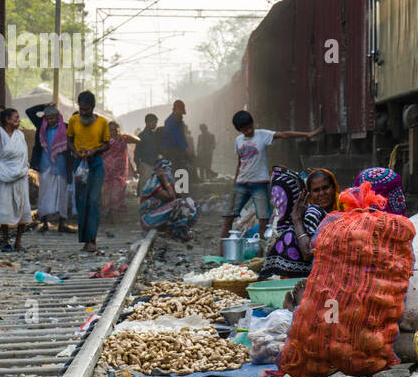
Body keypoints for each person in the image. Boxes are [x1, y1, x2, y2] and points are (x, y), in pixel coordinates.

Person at [220, 110, 321, 243]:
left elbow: (284, 135)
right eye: (245, 130)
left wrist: (308, 134)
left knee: (263, 220)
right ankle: (222, 253)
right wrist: (235, 183)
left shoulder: (262, 135)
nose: (249, 131)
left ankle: (262, 253)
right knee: (228, 217)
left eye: (250, 127)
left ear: (253, 124)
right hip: (241, 184)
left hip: (260, 184)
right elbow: (240, 163)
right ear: (239, 130)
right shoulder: (238, 141)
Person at [261, 167, 339, 278]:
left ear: (334, 187)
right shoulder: (313, 213)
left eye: (325, 188)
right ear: (309, 194)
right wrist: (297, 221)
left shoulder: (345, 207)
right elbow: (307, 253)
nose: (322, 193)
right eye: (316, 190)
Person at [67, 90, 110, 253]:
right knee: (81, 201)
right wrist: (76, 153)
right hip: (79, 164)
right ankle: (84, 239)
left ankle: (92, 240)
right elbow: (69, 141)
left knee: (93, 201)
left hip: (96, 164)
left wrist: (95, 151)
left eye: (86, 109)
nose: (83, 112)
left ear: (92, 107)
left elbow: (107, 144)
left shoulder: (103, 123)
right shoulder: (73, 120)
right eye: (81, 109)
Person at [0, 106, 32, 251]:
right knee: (4, 207)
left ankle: (18, 242)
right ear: (7, 119)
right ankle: (6, 241)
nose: (18, 121)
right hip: (4, 173)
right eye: (16, 118)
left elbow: (23, 155)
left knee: (23, 207)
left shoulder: (20, 135)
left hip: (20, 174)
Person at [139, 155, 199, 241]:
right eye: (166, 170)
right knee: (180, 203)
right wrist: (165, 180)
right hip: (148, 220)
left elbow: (180, 194)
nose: (168, 173)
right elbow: (172, 198)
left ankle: (179, 230)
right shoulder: (153, 185)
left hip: (159, 216)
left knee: (191, 203)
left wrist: (172, 183)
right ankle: (171, 232)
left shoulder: (167, 181)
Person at [36, 104, 73, 233]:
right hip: (45, 165)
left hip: (61, 166)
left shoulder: (66, 128)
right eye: (48, 118)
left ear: (58, 117)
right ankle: (44, 223)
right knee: (44, 194)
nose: (51, 121)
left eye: (53, 118)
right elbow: (29, 112)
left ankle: (62, 224)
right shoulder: (41, 126)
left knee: (62, 195)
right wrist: (44, 106)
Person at [102, 121, 139, 221]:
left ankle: (113, 211)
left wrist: (124, 136)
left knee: (118, 189)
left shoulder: (122, 139)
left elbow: (137, 140)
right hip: (106, 169)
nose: (112, 132)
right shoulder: (103, 139)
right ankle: (107, 211)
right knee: (107, 190)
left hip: (119, 171)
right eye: (110, 130)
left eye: (115, 130)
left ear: (118, 130)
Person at [160, 100, 191, 173]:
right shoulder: (170, 121)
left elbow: (182, 135)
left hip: (177, 149)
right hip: (171, 150)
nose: (182, 114)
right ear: (176, 109)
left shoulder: (179, 120)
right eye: (181, 111)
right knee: (175, 169)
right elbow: (175, 135)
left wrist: (186, 147)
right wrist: (186, 147)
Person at [134, 113, 160, 193]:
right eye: (154, 123)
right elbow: (137, 152)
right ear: (148, 123)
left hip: (153, 163)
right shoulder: (142, 136)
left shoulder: (154, 135)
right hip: (145, 164)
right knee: (145, 185)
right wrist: (138, 165)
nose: (155, 125)